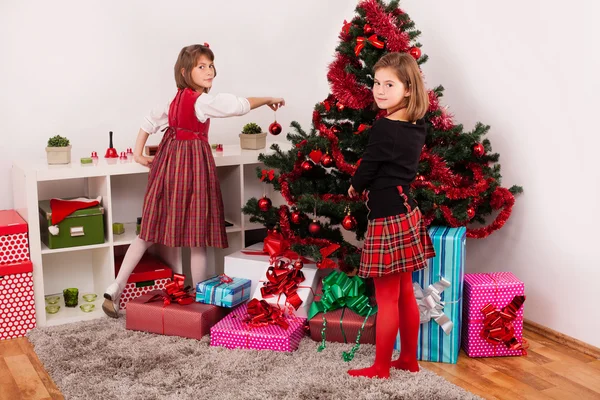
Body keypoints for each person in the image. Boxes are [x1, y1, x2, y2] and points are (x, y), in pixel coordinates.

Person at [102, 43, 285, 318]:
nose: (209, 71)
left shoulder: (174, 100)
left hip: (167, 166)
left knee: (147, 233)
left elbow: (148, 121)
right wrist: (267, 98)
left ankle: (115, 287)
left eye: (211, 66)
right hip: (192, 167)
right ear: (186, 72)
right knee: (198, 238)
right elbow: (238, 106)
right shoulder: (201, 101)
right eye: (202, 66)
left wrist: (139, 154)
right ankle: (202, 305)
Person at [347, 52, 436, 378]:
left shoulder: (385, 127)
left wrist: (355, 185)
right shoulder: (416, 126)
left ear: (408, 88)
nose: (379, 90)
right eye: (376, 83)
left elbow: (370, 165)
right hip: (406, 211)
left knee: (387, 299)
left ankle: (381, 367)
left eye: (389, 84)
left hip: (388, 218)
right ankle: (408, 359)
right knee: (403, 295)